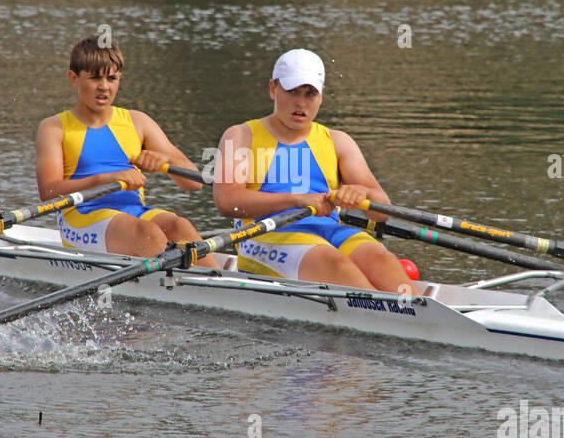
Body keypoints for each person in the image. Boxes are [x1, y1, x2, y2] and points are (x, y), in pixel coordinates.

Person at [212, 48, 420, 292]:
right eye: (292, 91)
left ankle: (418, 318)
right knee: (335, 264)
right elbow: (227, 202)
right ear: (273, 89)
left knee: (381, 258)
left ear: (321, 95)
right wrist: (298, 199)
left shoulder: (339, 141)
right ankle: (394, 317)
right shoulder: (239, 136)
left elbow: (381, 212)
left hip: (329, 233)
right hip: (265, 237)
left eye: (310, 94)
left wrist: (361, 193)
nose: (300, 103)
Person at [36, 36, 219, 268]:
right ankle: (183, 291)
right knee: (149, 233)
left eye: (111, 78)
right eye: (94, 78)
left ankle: (221, 289)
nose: (104, 86)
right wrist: (108, 179)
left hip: (135, 212)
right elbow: (49, 192)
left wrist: (164, 160)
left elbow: (194, 183)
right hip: (82, 217)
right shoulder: (54, 127)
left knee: (178, 225)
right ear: (74, 78)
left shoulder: (138, 122)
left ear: (119, 79)